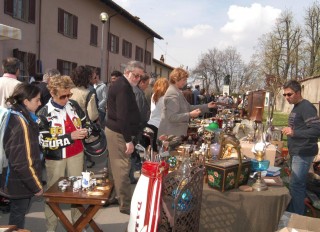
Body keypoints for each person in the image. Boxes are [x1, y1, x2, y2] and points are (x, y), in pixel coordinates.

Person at [37, 75, 88, 231]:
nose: (66, 99)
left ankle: (78, 226)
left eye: (69, 95)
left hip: (77, 154)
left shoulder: (73, 105)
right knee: (53, 195)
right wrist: (70, 137)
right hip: (56, 158)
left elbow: (86, 122)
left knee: (77, 192)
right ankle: (51, 228)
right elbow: (45, 143)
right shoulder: (43, 113)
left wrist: (87, 131)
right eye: (62, 96)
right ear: (52, 93)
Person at [2, 83, 43, 229]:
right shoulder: (21, 124)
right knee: (18, 216)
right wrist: (36, 185)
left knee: (17, 214)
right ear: (26, 101)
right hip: (19, 182)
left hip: (16, 179)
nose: (40, 103)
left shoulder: (18, 116)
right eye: (37, 100)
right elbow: (21, 162)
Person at [105, 61, 142, 215]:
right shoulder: (122, 87)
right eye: (136, 75)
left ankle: (111, 196)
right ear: (127, 72)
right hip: (119, 133)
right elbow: (122, 117)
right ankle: (126, 205)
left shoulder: (122, 85)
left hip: (116, 131)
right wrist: (128, 140)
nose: (138, 78)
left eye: (140, 76)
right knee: (122, 168)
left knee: (114, 168)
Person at [282, 80, 320, 215]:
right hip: (297, 151)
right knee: (296, 184)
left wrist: (294, 132)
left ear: (298, 92)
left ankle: (296, 218)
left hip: (303, 152)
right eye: (284, 95)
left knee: (296, 185)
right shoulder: (297, 106)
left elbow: (317, 130)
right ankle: (295, 211)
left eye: (289, 94)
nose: (287, 97)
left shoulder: (306, 107)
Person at [158, 68, 217, 138]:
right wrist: (190, 114)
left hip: (174, 135)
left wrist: (207, 106)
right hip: (170, 136)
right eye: (184, 80)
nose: (185, 82)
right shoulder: (172, 93)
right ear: (175, 79)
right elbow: (172, 117)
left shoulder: (177, 91)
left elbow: (189, 107)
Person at [0, 57, 21, 212]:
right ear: (18, 70)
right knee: (10, 159)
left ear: (3, 68)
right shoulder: (19, 86)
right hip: (12, 126)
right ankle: (6, 194)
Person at [70, 65, 99, 169]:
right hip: (82, 126)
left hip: (68, 125)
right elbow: (93, 115)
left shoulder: (68, 91)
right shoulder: (88, 93)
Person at [147, 77, 170, 151]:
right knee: (161, 149)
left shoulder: (154, 95)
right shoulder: (166, 98)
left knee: (153, 148)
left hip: (151, 122)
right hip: (160, 125)